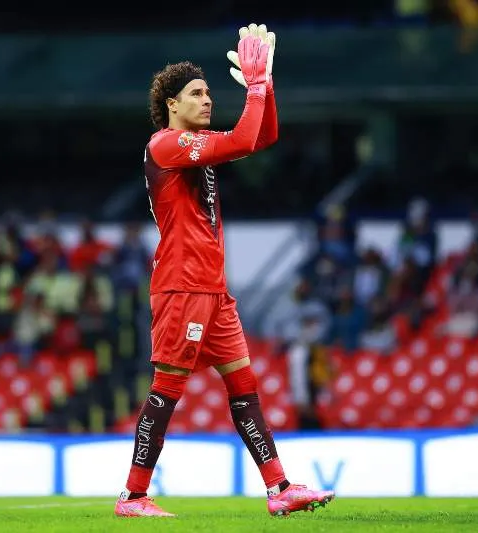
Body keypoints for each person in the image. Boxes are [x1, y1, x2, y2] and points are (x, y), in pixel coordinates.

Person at [114, 23, 335, 518]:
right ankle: (132, 496)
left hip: (214, 290)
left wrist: (267, 89)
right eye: (197, 93)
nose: (208, 99)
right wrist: (252, 90)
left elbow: (262, 136)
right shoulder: (165, 145)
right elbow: (240, 141)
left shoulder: (198, 143)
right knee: (167, 389)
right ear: (173, 104)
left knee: (245, 388)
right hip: (181, 286)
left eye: (211, 91)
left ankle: (279, 488)